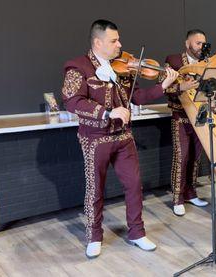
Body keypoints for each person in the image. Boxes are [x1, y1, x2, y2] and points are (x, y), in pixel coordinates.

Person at [60, 19, 179, 258]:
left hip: (123, 136)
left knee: (135, 185)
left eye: (118, 39)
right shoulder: (78, 67)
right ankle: (94, 236)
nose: (119, 45)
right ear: (97, 42)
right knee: (95, 189)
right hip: (95, 138)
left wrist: (164, 85)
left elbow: (139, 97)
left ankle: (137, 232)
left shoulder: (122, 69)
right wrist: (107, 112)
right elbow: (72, 101)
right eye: (114, 40)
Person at [159, 29, 210, 216]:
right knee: (181, 158)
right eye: (198, 43)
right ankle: (177, 198)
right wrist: (182, 86)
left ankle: (191, 193)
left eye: (203, 43)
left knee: (195, 157)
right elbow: (163, 86)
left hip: (199, 115)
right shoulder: (173, 61)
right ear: (187, 44)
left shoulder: (207, 63)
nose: (201, 47)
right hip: (180, 116)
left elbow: (208, 92)